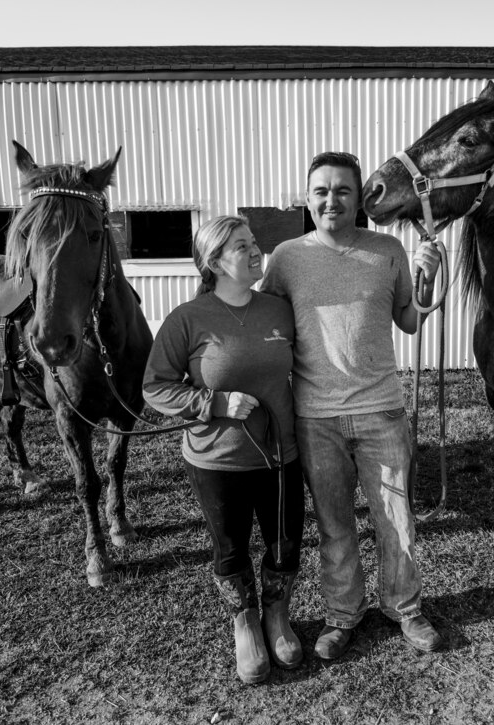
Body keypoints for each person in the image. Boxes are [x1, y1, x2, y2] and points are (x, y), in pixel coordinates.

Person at [261, 151, 444, 659]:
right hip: (315, 417)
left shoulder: (387, 251)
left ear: (359, 198)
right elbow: (267, 322)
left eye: (342, 190)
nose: (331, 200)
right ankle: (343, 615)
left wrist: (427, 277)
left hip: (381, 410)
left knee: (396, 519)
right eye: (321, 190)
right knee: (334, 525)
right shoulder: (286, 258)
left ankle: (404, 608)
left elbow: (410, 319)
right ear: (307, 197)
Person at [143, 215, 305, 684]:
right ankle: (245, 622)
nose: (256, 251)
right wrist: (213, 402)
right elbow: (156, 387)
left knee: (285, 541)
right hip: (216, 460)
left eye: (255, 243)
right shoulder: (187, 320)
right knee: (230, 548)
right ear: (213, 262)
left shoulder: (279, 310)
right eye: (241, 246)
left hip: (280, 455)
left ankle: (277, 615)